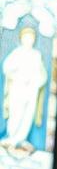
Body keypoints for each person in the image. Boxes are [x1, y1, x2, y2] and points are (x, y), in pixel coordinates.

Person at [1, 26, 47, 154]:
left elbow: (42, 75)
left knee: (27, 114)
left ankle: (20, 139)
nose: (29, 40)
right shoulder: (17, 52)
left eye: (31, 38)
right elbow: (7, 67)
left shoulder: (36, 55)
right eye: (27, 37)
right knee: (16, 112)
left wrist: (35, 82)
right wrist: (18, 76)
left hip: (31, 91)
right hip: (18, 88)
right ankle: (12, 138)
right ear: (22, 39)